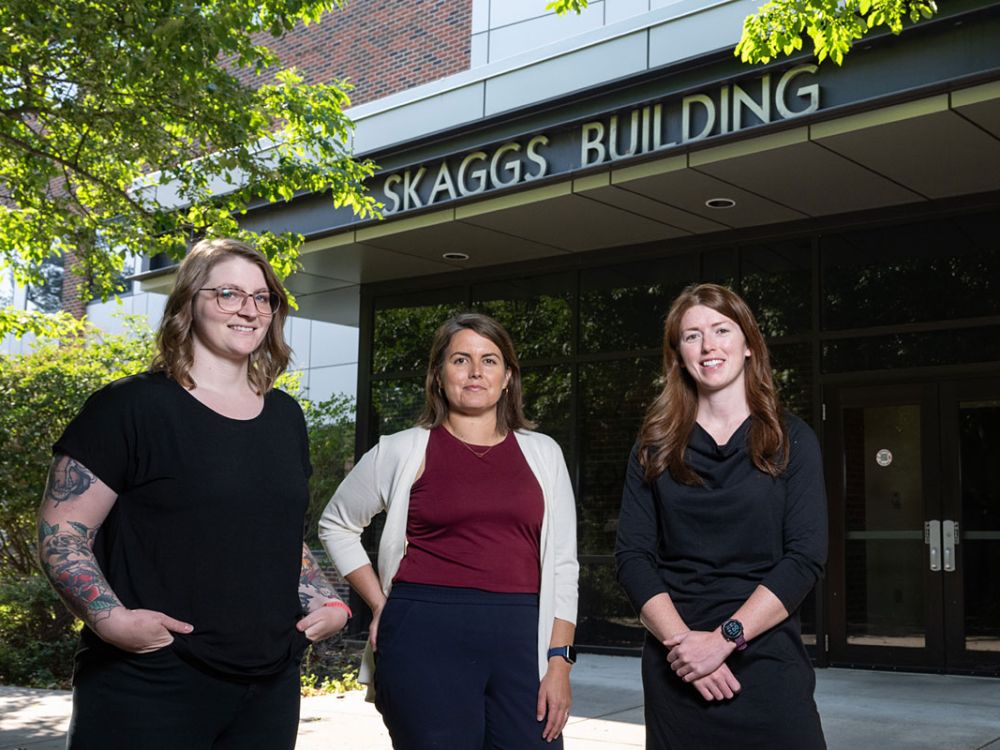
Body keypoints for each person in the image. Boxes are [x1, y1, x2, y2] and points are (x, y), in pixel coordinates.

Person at [37, 238, 351, 750]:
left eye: (262, 296)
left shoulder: (285, 416)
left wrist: (325, 599)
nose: (249, 309)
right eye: (228, 294)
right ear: (188, 302)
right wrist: (112, 621)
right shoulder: (129, 407)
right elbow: (62, 534)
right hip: (150, 679)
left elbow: (272, 536)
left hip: (269, 683)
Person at [319, 312, 579, 749]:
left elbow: (563, 565)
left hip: (523, 638)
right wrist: (380, 604)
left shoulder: (544, 453)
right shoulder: (401, 449)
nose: (476, 372)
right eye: (461, 360)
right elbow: (336, 524)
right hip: (423, 633)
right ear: (439, 376)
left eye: (489, 360)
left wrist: (560, 660)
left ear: (508, 377)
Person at [615, 283, 828, 749]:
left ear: (749, 344)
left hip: (766, 659)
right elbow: (632, 558)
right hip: (677, 666)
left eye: (721, 330)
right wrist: (685, 647)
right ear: (678, 355)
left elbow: (804, 557)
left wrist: (723, 640)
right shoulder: (654, 445)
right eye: (692, 336)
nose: (708, 346)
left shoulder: (791, 439)